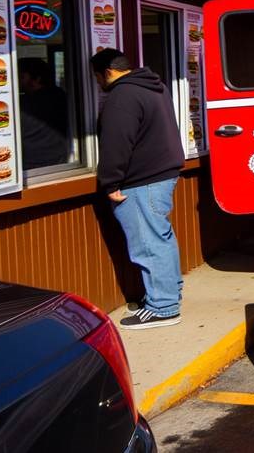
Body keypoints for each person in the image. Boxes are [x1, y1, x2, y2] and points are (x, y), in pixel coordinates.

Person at [90, 48, 185, 329]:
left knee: (148, 242)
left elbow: (117, 142)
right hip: (162, 174)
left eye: (97, 78)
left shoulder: (122, 96)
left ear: (107, 72)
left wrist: (110, 181)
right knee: (161, 237)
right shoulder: (154, 87)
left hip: (141, 180)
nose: (98, 85)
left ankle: (163, 307)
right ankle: (168, 294)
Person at [17, 58, 71, 169]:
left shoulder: (23, 103)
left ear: (37, 78)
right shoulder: (61, 95)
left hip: (31, 166)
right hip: (62, 160)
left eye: (22, 76)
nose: (18, 80)